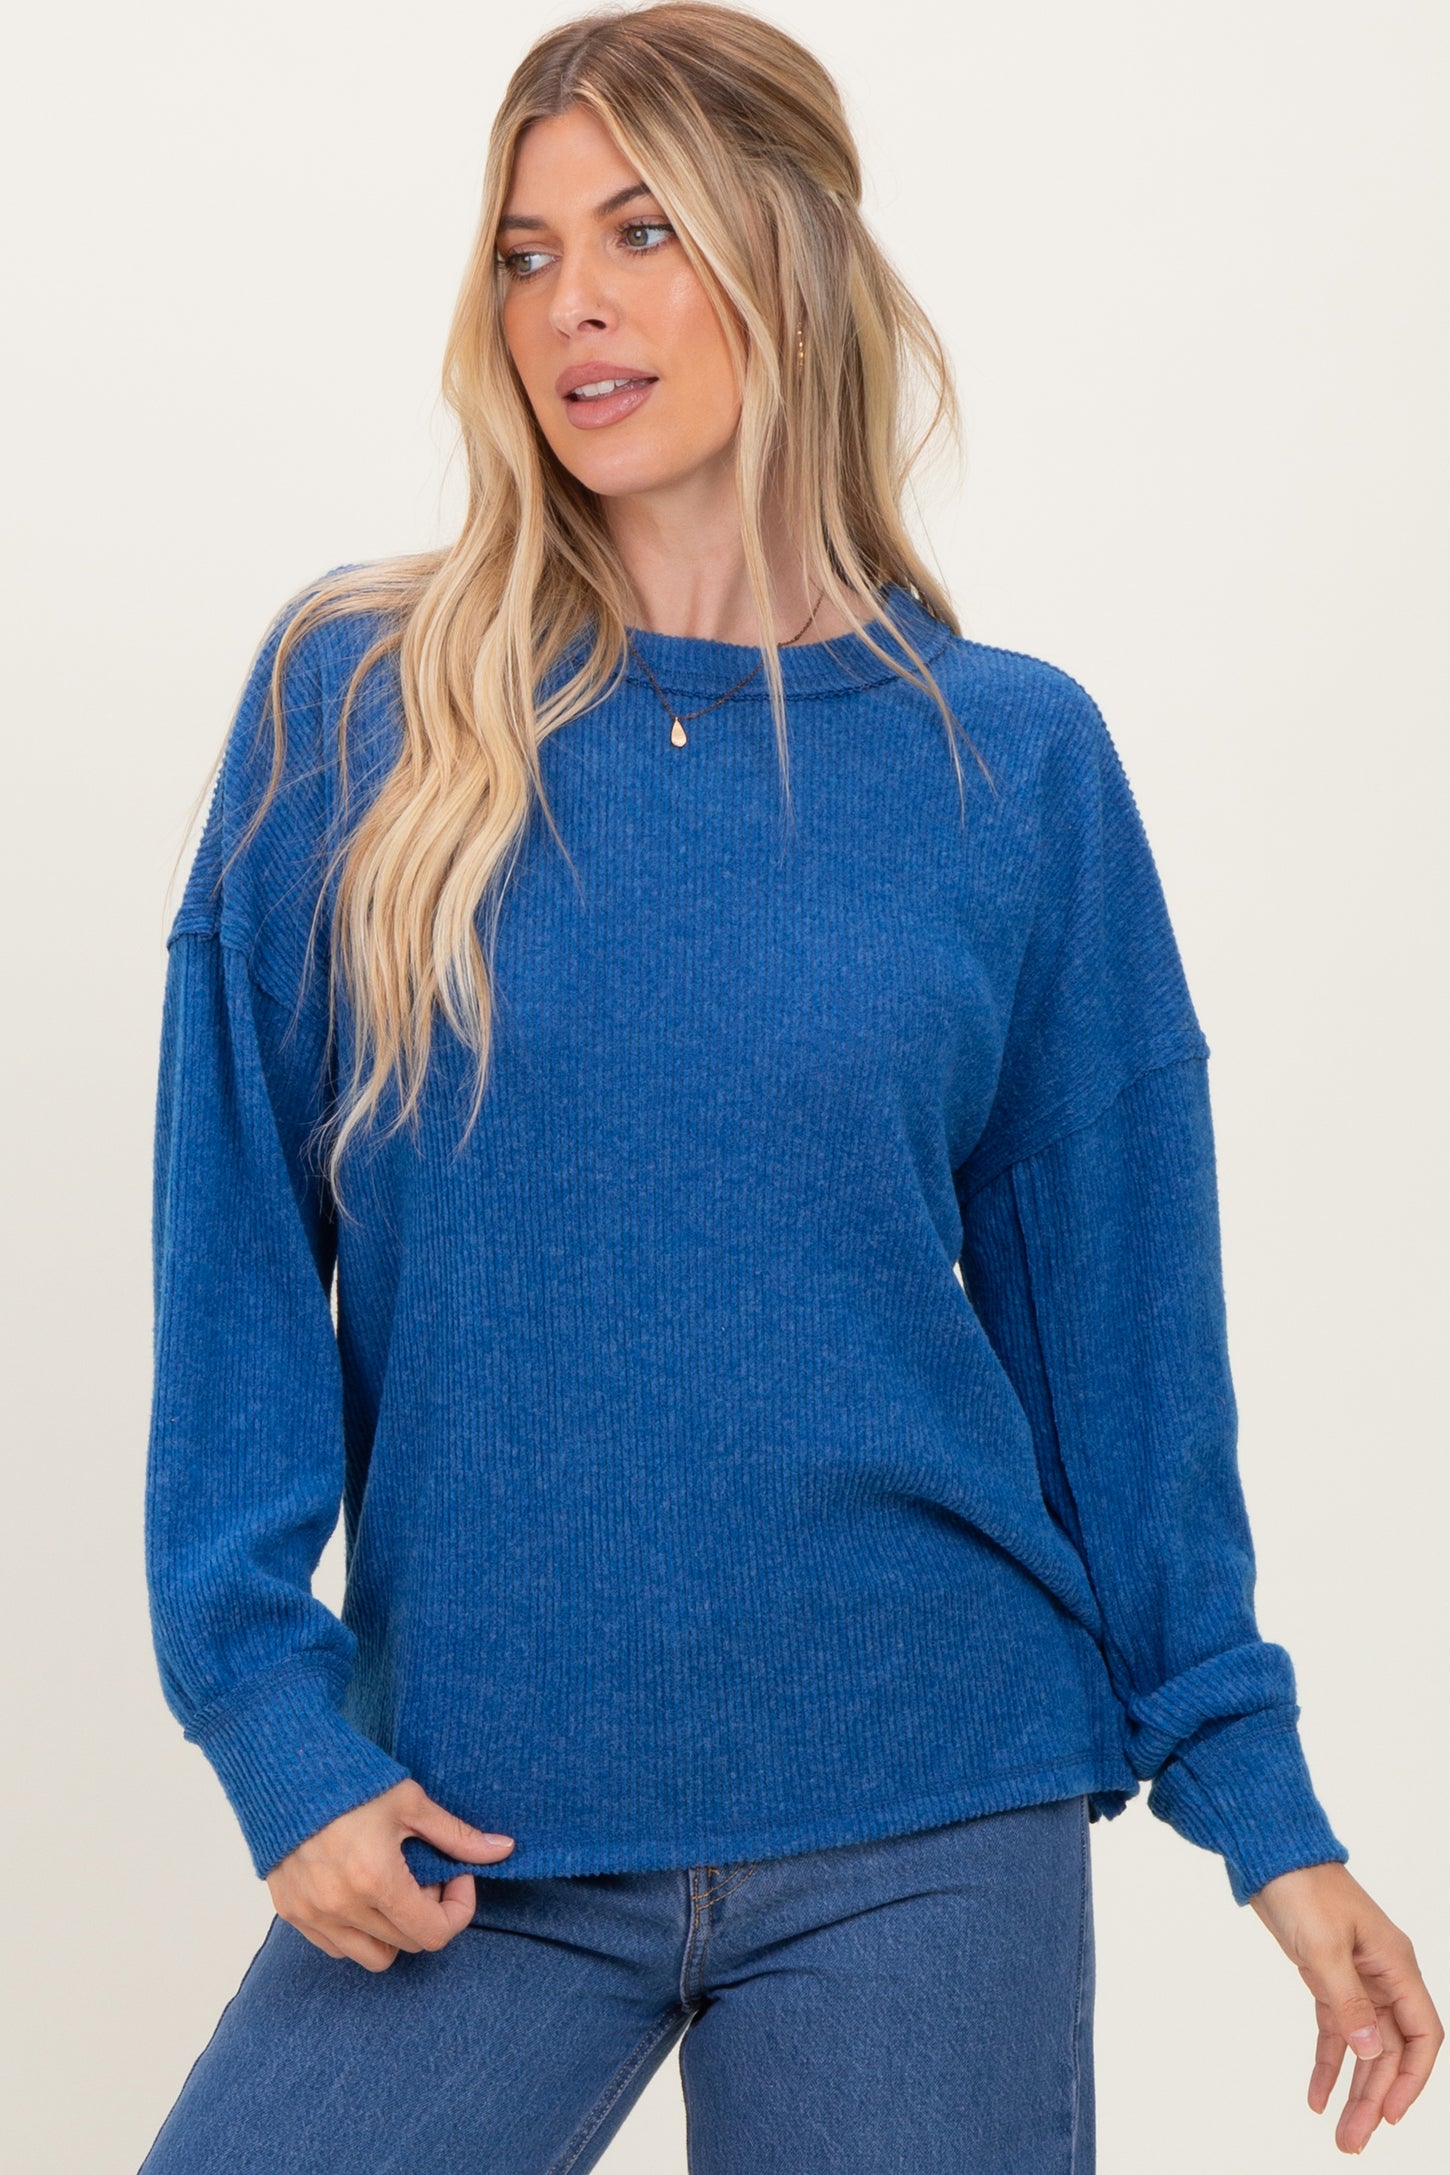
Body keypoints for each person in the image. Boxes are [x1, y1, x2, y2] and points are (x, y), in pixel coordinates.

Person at [137, 6, 1441, 2169]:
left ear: (792, 253)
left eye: (639, 231)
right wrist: (274, 1721)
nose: (571, 303)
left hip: (928, 1805)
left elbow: (1119, 1336)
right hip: (469, 1816)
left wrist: (1263, 1806)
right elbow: (242, 1264)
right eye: (526, 252)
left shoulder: (1006, 758)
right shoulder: (356, 711)